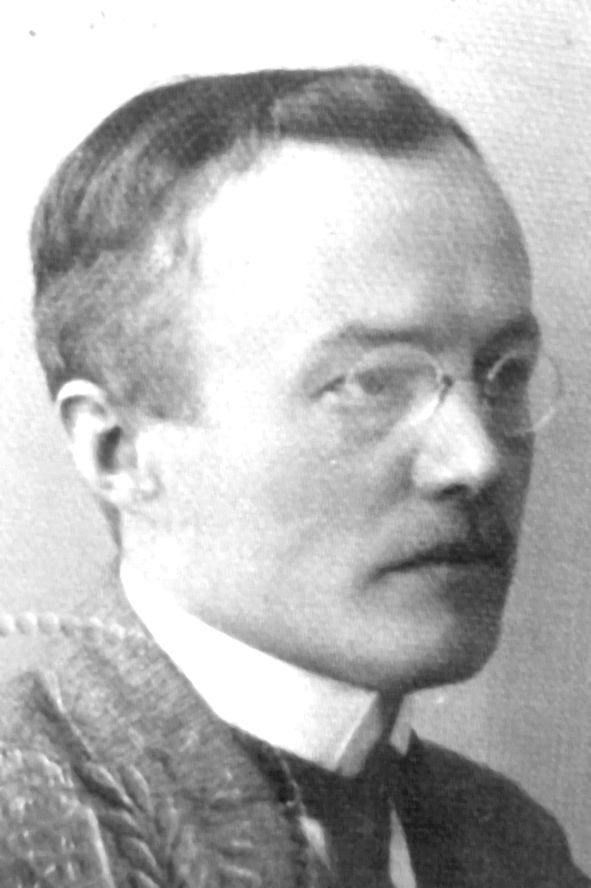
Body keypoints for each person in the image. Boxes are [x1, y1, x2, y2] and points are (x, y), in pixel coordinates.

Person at [0, 66, 587, 887]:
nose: (477, 458)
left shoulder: (508, 845)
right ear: (118, 450)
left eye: (504, 372)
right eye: (368, 384)